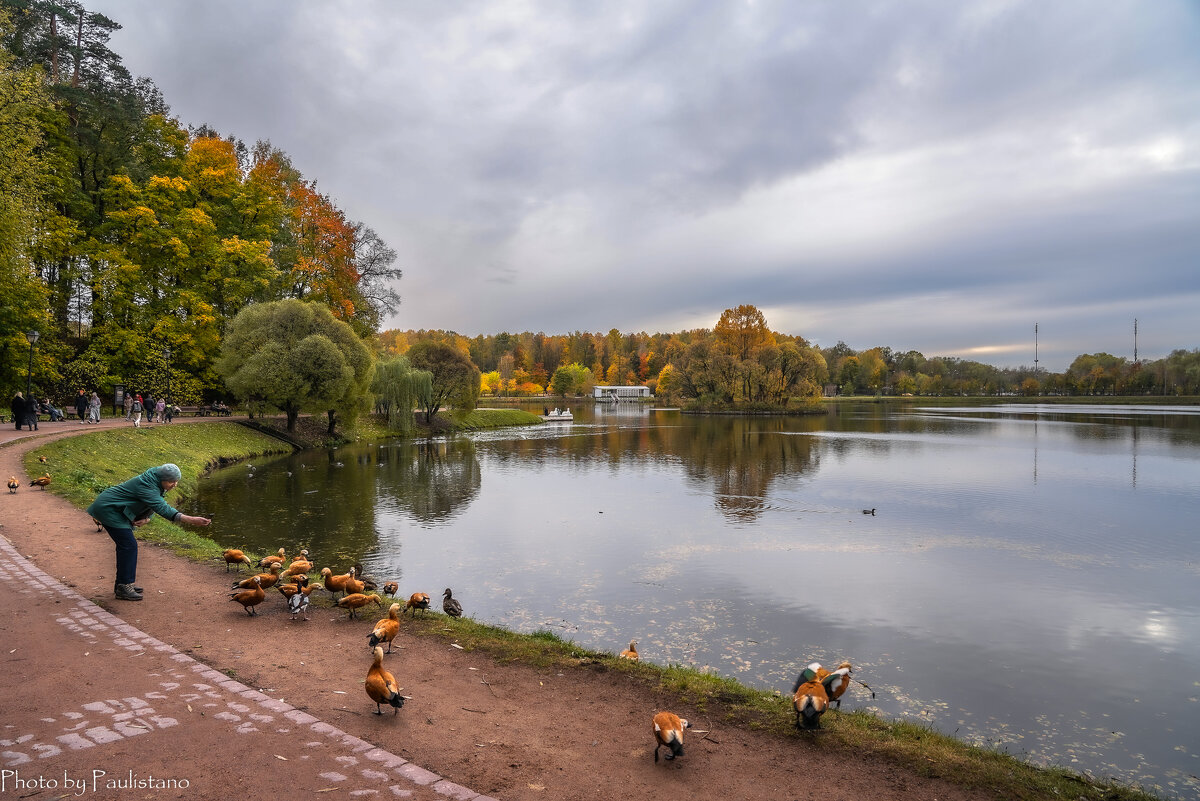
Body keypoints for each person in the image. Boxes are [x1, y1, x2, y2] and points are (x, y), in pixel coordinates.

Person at [86, 463, 211, 601]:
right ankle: (124, 586)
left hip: (115, 509)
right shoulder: (147, 485)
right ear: (162, 479)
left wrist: (147, 518)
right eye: (171, 481)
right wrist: (192, 520)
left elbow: (153, 503)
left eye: (176, 481)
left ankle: (123, 583)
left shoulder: (155, 481)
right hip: (108, 509)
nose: (174, 484)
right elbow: (161, 507)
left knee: (127, 546)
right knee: (128, 545)